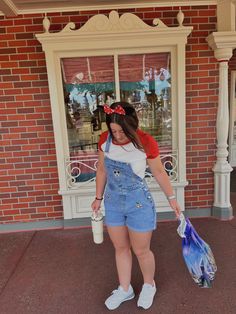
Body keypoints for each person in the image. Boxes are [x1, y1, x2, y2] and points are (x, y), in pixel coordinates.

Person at [91, 101, 181, 310]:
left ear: (132, 127)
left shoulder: (145, 141)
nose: (117, 136)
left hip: (138, 203)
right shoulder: (105, 140)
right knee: (120, 248)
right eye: (113, 131)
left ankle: (149, 285)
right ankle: (125, 289)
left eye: (122, 131)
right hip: (113, 203)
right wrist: (98, 198)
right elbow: (102, 171)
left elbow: (158, 172)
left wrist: (172, 199)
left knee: (141, 250)